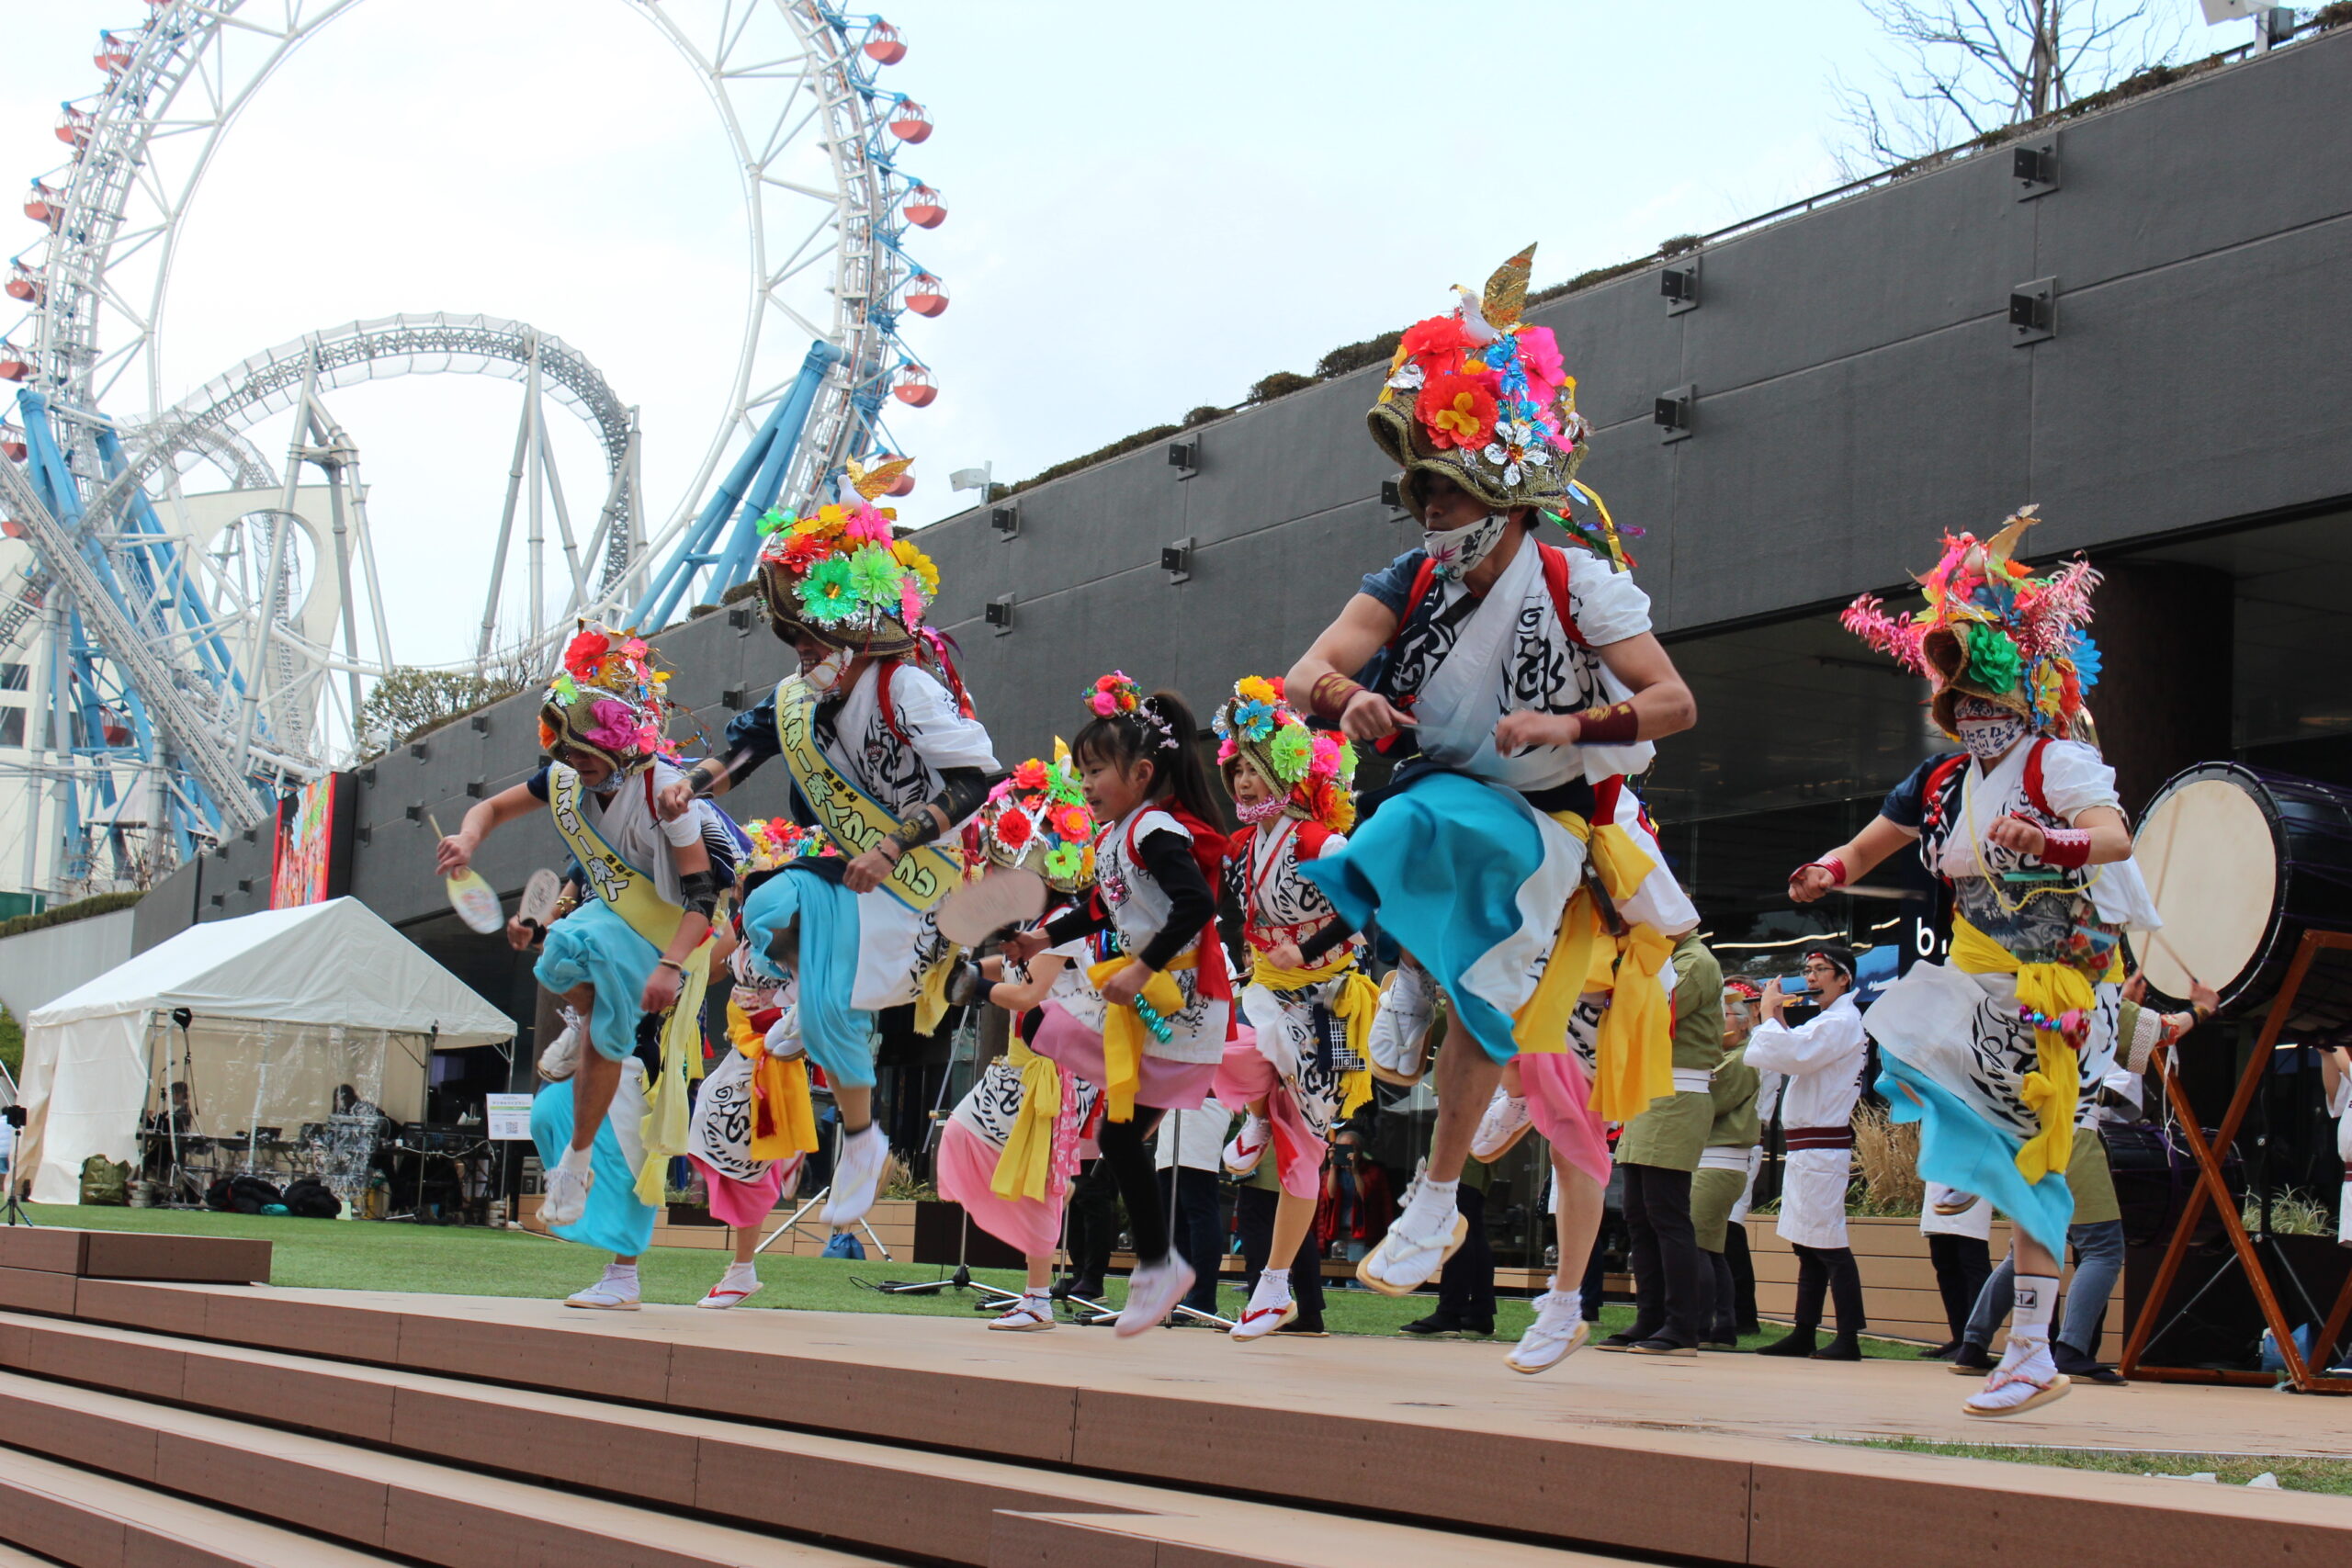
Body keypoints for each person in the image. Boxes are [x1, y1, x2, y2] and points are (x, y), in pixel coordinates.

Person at [1285, 245, 1698, 1376]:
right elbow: (1304, 674)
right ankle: (1417, 981)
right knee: (1397, 836)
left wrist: (1572, 727)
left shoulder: (1575, 583)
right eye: (1414, 488)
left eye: (1443, 487)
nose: (1424, 508)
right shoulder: (1404, 581)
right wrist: (1348, 697)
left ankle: (1446, 1196)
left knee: (1475, 929)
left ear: (1502, 487)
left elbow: (1671, 701)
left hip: (1550, 828)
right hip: (1443, 802)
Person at [1800, 511, 2174, 1415]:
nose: (1972, 718)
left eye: (1986, 704)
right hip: (1970, 986)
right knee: (1986, 1143)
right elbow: (1874, 843)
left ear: (2018, 704)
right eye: (1958, 705)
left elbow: (2115, 839)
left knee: (2033, 1168)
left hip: (2052, 985)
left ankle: (2034, 1350)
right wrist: (1827, 871)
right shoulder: (1941, 784)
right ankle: (2026, 1343)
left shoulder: (2057, 763)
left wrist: (2047, 840)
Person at [689, 464, 999, 1231]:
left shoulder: (906, 690)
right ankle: (820, 1021)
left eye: (809, 636)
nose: (799, 652)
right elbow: (748, 747)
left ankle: (859, 1133)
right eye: (794, 639)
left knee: (832, 1002)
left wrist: (895, 844)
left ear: (853, 630)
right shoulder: (802, 697)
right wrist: (691, 783)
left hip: (918, 881)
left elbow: (977, 779)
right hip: (852, 875)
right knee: (764, 907)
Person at [438, 626, 736, 1310]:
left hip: (674, 948)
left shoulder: (666, 793)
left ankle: (623, 1273)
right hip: (622, 949)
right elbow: (493, 807)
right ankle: (587, 1033)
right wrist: (469, 837)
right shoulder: (573, 787)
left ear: (623, 743)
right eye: (566, 751)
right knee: (555, 1081)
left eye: (587, 750)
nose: (575, 761)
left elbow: (701, 896)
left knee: (632, 1133)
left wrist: (668, 968)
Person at [1001, 677, 1234, 1336]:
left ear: (1141, 771)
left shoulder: (1155, 827)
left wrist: (1141, 964)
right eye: (1083, 772)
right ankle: (1160, 1266)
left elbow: (1197, 904)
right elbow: (1103, 908)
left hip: (1177, 1003)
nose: (1088, 784)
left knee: (1113, 1126)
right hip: (1143, 1002)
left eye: (1097, 770)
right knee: (1115, 1129)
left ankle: (1161, 1266)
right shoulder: (1114, 838)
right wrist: (1044, 935)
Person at [1208, 676, 1374, 1340]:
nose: (1244, 784)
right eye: (1236, 772)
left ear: (1285, 770)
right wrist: (1239, 952)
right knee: (1221, 1054)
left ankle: (1275, 1286)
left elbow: (1364, 903)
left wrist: (1311, 945)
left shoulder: (1317, 843)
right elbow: (1229, 913)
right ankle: (1251, 1116)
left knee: (1307, 1147)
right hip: (1269, 992)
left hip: (1332, 1007)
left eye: (1254, 770)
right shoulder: (1240, 847)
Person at [1949, 979, 2209, 1382]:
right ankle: (2071, 1348)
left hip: (2019, 1134)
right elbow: (2163, 1032)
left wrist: (2120, 1005)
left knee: (2029, 1249)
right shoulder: (2097, 997)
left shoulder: (2026, 988)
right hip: (2069, 1136)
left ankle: (1973, 1343)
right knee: (2103, 1247)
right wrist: (2202, 1008)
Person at [933, 756, 1102, 1332]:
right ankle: (1035, 1291)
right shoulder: (1041, 925)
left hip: (1054, 1076)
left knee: (1040, 1180)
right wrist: (955, 967)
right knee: (963, 1137)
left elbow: (1030, 995)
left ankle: (1037, 1297)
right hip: (1024, 1068)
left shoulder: (1068, 921)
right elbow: (1004, 965)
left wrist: (977, 985)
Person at [686, 819, 829, 1310]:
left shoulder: (793, 932)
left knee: (742, 1141)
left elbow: (814, 991)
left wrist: (788, 1030)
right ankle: (741, 1264)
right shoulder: (744, 924)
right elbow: (702, 966)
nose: (747, 886)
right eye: (747, 880)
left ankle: (742, 1268)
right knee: (715, 1121)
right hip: (741, 1045)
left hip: (771, 1047)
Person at [1596, 932, 1725, 1357]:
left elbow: (1657, 1008)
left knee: (1666, 1213)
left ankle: (1683, 1326)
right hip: (1651, 1092)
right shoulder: (1665, 957)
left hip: (1678, 1092)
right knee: (1638, 1214)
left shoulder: (1696, 961)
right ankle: (1651, 1318)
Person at [1743, 945, 1871, 1359]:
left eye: (1821, 970)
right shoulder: (1829, 1021)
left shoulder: (1842, 1021)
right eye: (1808, 970)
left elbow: (1793, 1055)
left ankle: (1848, 1337)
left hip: (1821, 1147)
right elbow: (1792, 1048)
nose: (1811, 978)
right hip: (1808, 1148)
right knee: (1808, 1246)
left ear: (1844, 978)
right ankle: (1804, 1331)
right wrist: (1776, 1018)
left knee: (1828, 1244)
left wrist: (1767, 1015)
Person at [1690, 979, 1764, 1348]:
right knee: (1712, 1246)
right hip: (1714, 1157)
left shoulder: (1742, 1060)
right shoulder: (1731, 1056)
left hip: (1720, 1157)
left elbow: (1710, 1099)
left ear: (1744, 1021)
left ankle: (1701, 1326)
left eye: (1723, 1018)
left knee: (1699, 1244)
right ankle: (1723, 1326)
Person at [1155, 1095, 1233, 1325]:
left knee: (1198, 1205)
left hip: (1203, 1106)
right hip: (1171, 1110)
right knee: (1172, 1210)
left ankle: (1202, 1298)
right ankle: (1179, 1294)